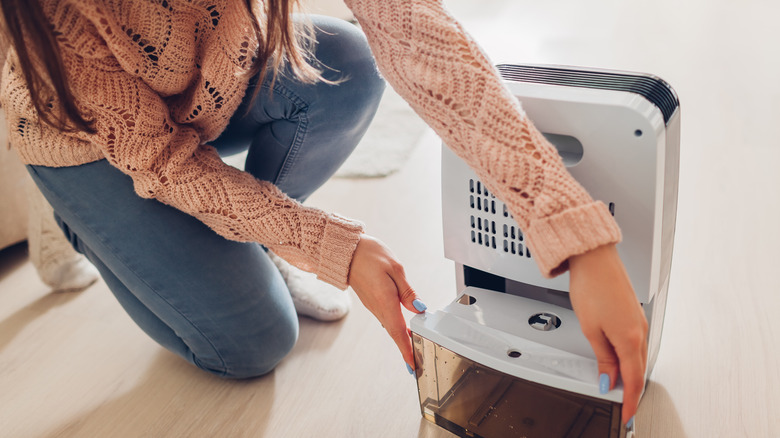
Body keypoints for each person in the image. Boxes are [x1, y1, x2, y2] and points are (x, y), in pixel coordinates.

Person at [0, 0, 647, 425]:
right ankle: (80, 220)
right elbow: (165, 163)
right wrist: (331, 247)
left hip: (208, 85)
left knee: (348, 61)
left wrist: (571, 230)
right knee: (253, 346)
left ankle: (236, 239)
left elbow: (416, 34)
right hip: (91, 137)